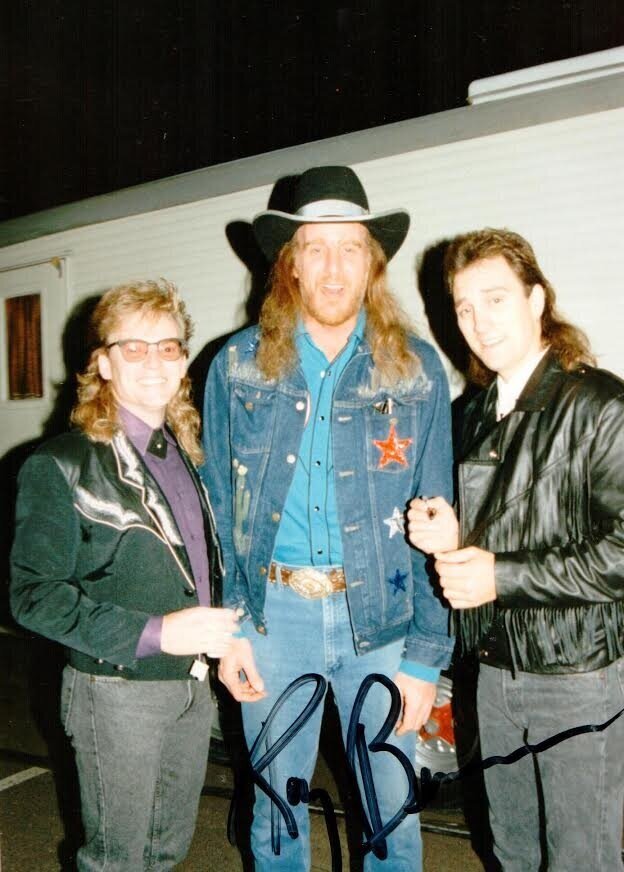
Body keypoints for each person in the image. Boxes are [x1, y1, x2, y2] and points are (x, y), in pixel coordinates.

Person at [201, 165, 453, 870]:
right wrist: (232, 629)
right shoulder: (238, 367)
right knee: (277, 816)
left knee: (388, 817)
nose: (334, 266)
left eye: (351, 247)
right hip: (272, 621)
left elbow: (442, 520)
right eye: (316, 247)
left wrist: (425, 657)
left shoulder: (415, 371)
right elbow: (216, 511)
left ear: (372, 263)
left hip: (381, 620)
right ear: (291, 264)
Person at [408, 228, 624, 871]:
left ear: (536, 300)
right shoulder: (469, 415)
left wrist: (502, 576)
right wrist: (451, 538)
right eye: (464, 307)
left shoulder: (599, 405)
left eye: (495, 299)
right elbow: (493, 533)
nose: (477, 321)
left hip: (578, 675)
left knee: (581, 857)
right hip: (494, 675)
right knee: (512, 850)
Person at [11, 279, 238, 871]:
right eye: (132, 347)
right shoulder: (60, 463)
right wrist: (159, 633)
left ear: (183, 359)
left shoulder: (189, 454)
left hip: (192, 687)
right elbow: (32, 596)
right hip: (114, 692)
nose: (153, 361)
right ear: (102, 363)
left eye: (167, 346)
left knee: (166, 852)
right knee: (115, 860)